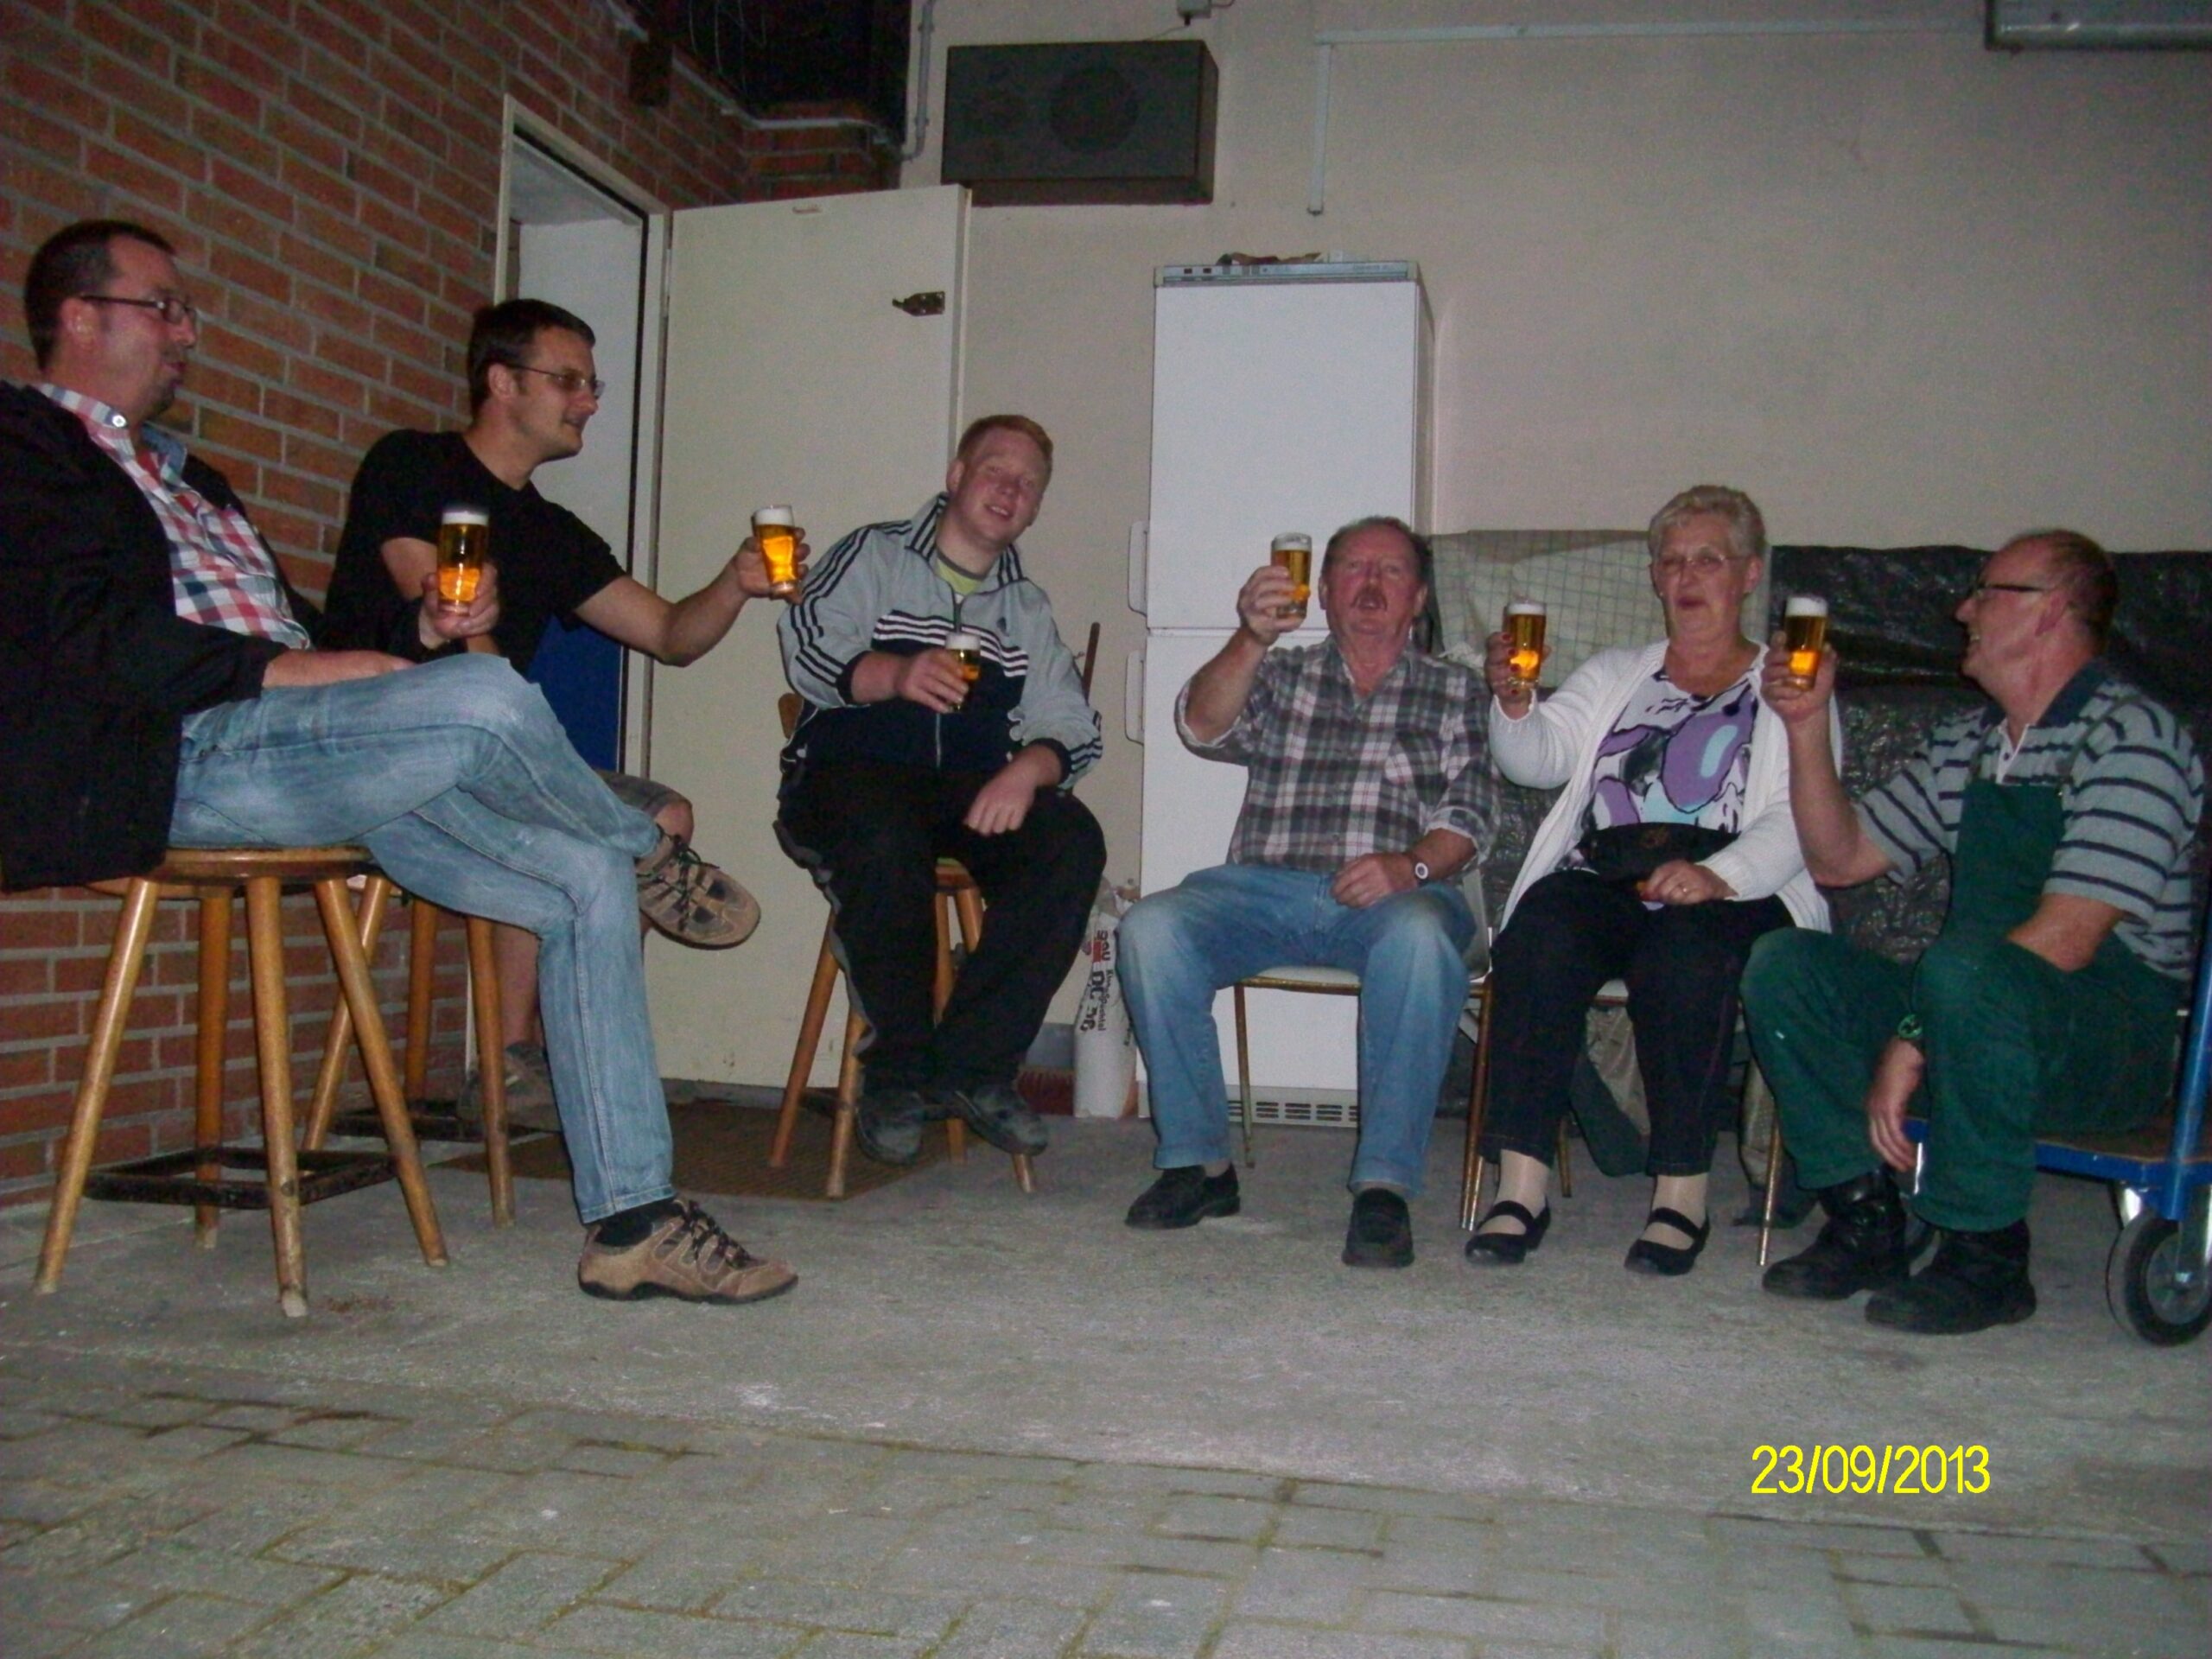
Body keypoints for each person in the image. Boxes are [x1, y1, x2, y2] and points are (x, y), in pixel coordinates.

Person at [0, 219, 793, 1306]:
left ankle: (634, 1223)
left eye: (186, 311)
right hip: (182, 752)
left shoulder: (193, 478)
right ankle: (645, 848)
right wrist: (298, 672)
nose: (186, 331)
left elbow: (311, 630)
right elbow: (82, 634)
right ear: (79, 316)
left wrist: (405, 637)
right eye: (163, 307)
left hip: (316, 752)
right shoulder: (27, 448)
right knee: (489, 699)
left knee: (582, 876)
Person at [325, 298, 791, 1129]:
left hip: (496, 763)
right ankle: (523, 1045)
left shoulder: (552, 531)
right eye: (570, 381)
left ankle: (558, 1058)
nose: (589, 402)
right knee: (576, 814)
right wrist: (526, 740)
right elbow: (442, 612)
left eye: (593, 385)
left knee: (662, 813)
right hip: (380, 744)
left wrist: (734, 583)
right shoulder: (412, 464)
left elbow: (671, 636)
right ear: (503, 382)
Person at [1745, 531, 2202, 1334]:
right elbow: (1842, 859)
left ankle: (1985, 1254)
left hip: (2102, 1041)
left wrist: (1912, 1040)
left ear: (2051, 611)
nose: (1964, 610)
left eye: (1988, 592)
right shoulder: (1972, 744)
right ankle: (1867, 1218)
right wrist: (1807, 725)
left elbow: (2068, 938)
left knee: (1962, 973)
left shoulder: (2133, 739)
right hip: (1971, 1003)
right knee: (1786, 965)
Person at [1468, 486, 1831, 1277]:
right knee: (1540, 931)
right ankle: (1520, 1186)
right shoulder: (1617, 672)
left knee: (1685, 956)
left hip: (1738, 884)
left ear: (1749, 575)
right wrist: (1516, 704)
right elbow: (1536, 763)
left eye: (1709, 560)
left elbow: (1798, 817)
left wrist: (1719, 875)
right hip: (1611, 869)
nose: (1688, 576)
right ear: (1655, 578)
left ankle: (1681, 1193)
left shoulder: (1790, 684)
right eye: (1672, 561)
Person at [1116, 516, 1494, 1269]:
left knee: (1421, 939)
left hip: (1397, 899)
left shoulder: (1456, 689)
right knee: (1150, 929)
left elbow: (1473, 813)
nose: (1371, 584)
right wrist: (1251, 637)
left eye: (1391, 570)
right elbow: (1200, 726)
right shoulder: (1282, 673)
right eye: (1353, 568)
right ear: (1322, 589)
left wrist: (1410, 866)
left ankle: (1384, 1187)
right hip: (1263, 889)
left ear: (1419, 597)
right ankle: (1200, 1166)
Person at [775, 414, 1105, 1166]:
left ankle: (974, 1066)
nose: (1011, 490)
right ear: (956, 477)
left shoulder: (1025, 608)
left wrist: (1028, 768)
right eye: (996, 471)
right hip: (850, 774)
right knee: (885, 839)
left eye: (1028, 484)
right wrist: (895, 673)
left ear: (1036, 507)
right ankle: (895, 1074)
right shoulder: (876, 553)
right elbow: (807, 644)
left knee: (1070, 840)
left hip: (964, 792)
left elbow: (1072, 724)